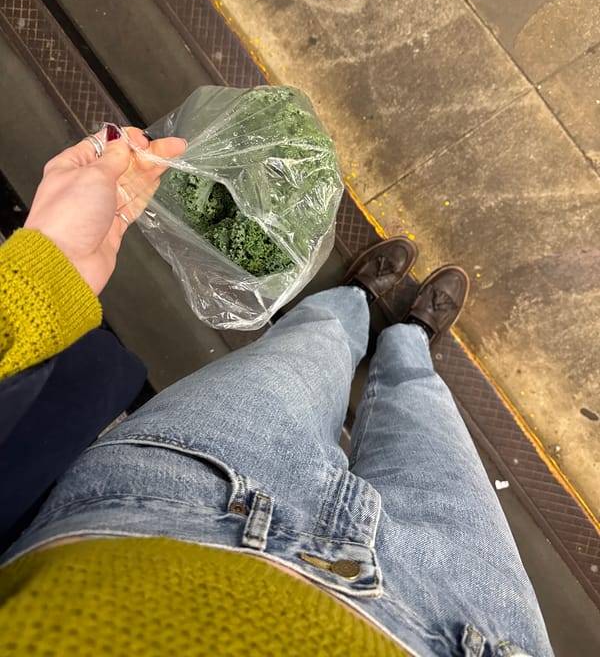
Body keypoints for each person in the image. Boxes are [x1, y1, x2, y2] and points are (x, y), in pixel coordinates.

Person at [0, 128, 554, 657]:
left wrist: (47, 268)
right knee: (423, 406)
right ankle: (410, 338)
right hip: (472, 626)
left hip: (167, 510)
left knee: (311, 347)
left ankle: (354, 302)